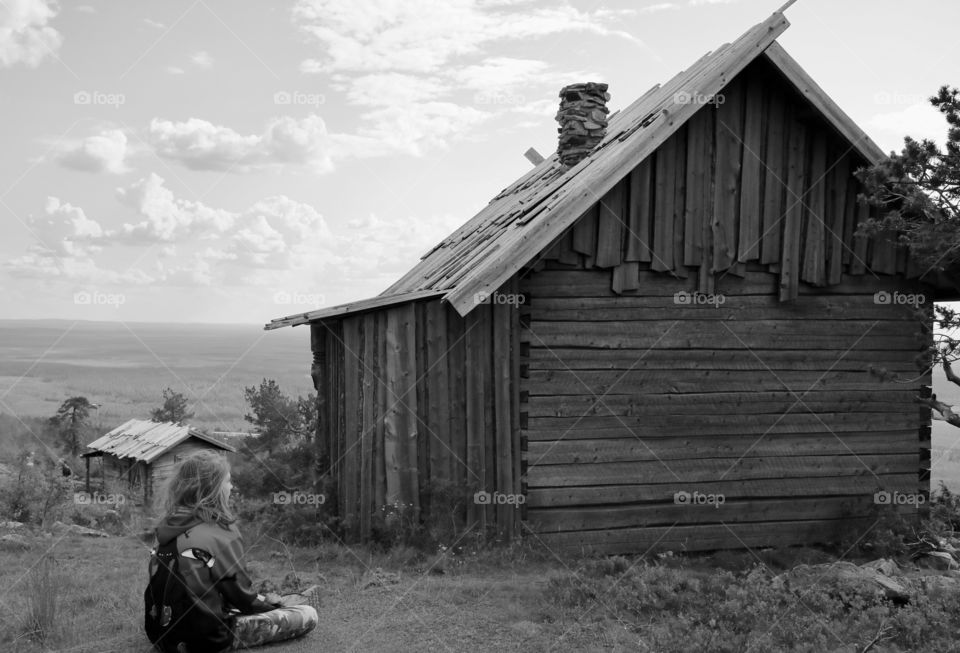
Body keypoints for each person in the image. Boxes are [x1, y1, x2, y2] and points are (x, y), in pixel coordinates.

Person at [149, 450, 317, 651]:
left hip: (161, 637)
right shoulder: (220, 531)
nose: (231, 487)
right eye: (228, 481)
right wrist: (276, 606)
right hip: (205, 641)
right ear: (213, 489)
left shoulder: (165, 528)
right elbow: (244, 599)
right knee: (308, 614)